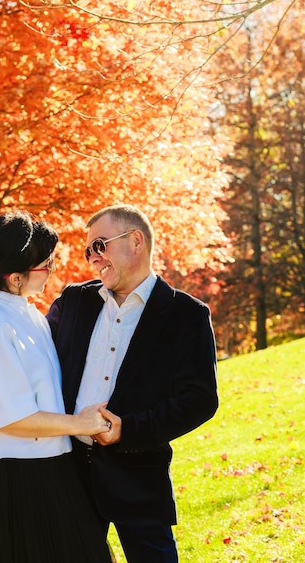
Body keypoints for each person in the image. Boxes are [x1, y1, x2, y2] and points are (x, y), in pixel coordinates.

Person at [47, 204, 219, 563]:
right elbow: (33, 363)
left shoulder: (187, 315)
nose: (93, 259)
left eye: (100, 246)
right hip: (68, 476)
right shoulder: (73, 302)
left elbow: (199, 399)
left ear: (136, 241)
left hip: (140, 478)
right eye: (87, 251)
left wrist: (129, 430)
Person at [0, 210, 112, 563]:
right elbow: (10, 418)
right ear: (15, 277)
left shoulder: (30, 314)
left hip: (54, 470)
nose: (53, 269)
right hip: (15, 482)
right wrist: (80, 424)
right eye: (45, 264)